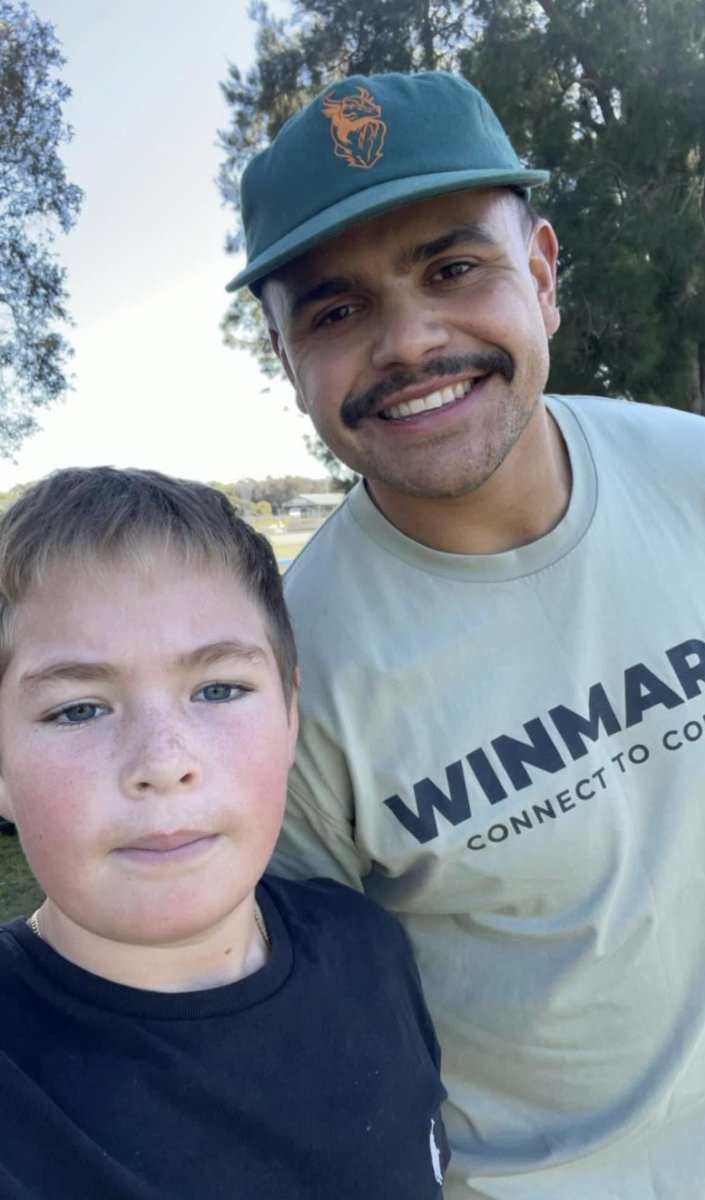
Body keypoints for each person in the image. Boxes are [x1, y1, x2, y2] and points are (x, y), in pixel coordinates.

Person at [226, 70, 705, 1198]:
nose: (410, 341)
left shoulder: (692, 475)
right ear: (289, 357)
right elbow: (305, 1042)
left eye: (453, 268)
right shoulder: (291, 683)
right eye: (336, 311)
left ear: (540, 273)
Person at [0, 466, 449, 1200]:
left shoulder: (368, 944)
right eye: (77, 709)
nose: (163, 763)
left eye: (218, 690)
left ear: (289, 714)